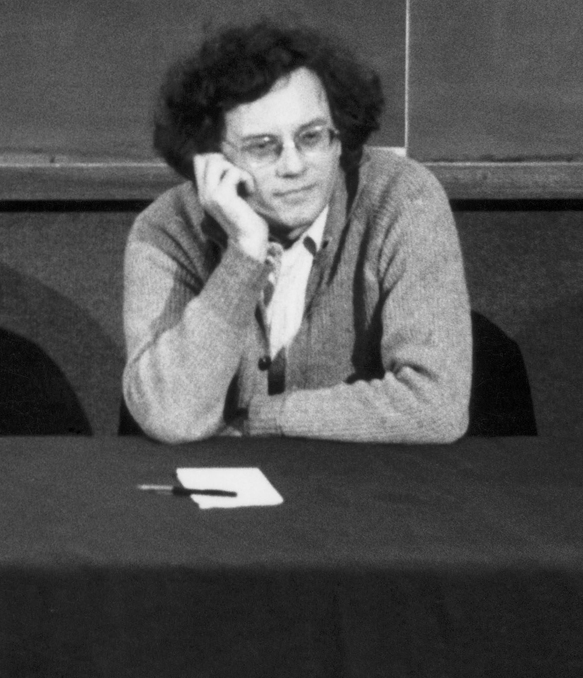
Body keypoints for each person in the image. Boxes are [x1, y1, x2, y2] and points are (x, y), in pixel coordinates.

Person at [122, 22, 471, 443]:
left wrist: (263, 418)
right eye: (262, 146)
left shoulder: (401, 198)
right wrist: (243, 258)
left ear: (340, 137)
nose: (294, 165)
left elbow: (436, 405)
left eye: (311, 137)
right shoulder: (167, 229)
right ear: (212, 158)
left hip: (366, 479)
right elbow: (169, 416)